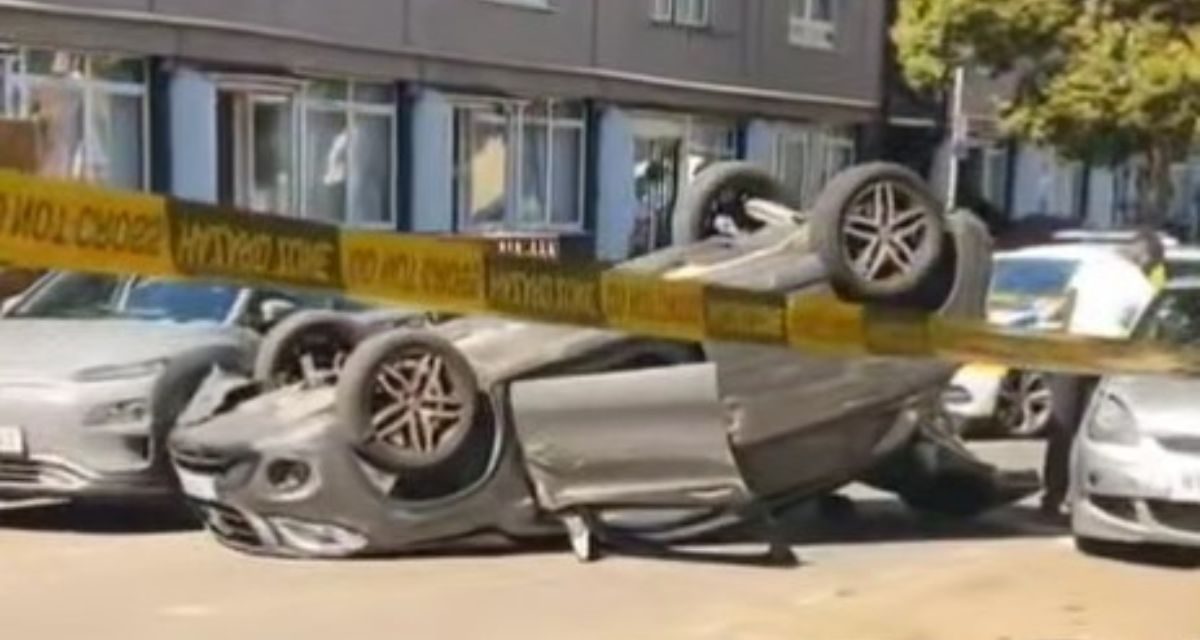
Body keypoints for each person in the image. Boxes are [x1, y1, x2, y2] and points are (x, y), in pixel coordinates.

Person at [1039, 227, 1166, 517]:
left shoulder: (1094, 265)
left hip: (1072, 350)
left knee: (1062, 427)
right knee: (1090, 431)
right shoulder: (1142, 287)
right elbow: (1141, 334)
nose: (1151, 269)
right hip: (1106, 358)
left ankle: (1053, 495)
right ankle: (1081, 498)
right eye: (1153, 263)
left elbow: (1067, 304)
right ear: (1146, 256)